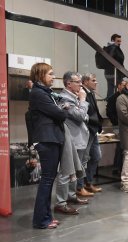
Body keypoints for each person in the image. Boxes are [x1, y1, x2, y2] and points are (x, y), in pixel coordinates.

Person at [28, 63, 67, 229]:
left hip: (51, 139)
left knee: (48, 180)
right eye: (50, 74)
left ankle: (46, 216)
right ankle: (40, 220)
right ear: (40, 75)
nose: (53, 76)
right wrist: (61, 109)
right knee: (47, 181)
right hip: (47, 140)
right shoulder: (38, 93)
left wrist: (59, 109)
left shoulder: (45, 93)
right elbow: (59, 114)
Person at [54, 72, 90, 215]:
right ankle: (61, 203)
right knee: (66, 171)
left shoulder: (73, 98)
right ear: (68, 83)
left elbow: (84, 116)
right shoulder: (64, 98)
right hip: (71, 140)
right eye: (77, 82)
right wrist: (82, 100)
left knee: (76, 170)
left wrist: (81, 108)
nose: (81, 84)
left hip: (80, 139)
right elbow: (81, 115)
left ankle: (71, 195)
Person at [78, 73, 103, 196]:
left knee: (96, 156)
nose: (96, 82)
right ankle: (80, 187)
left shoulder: (90, 93)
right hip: (87, 130)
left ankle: (88, 182)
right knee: (84, 159)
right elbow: (84, 114)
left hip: (93, 131)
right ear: (86, 82)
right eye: (93, 80)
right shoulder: (82, 93)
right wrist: (96, 122)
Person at [106, 80, 126, 175]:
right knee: (120, 146)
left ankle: (121, 167)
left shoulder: (126, 97)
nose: (125, 87)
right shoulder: (112, 98)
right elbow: (109, 112)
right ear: (118, 86)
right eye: (123, 85)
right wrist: (116, 121)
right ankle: (117, 167)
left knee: (123, 147)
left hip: (125, 125)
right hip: (117, 125)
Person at [104, 34, 125, 98]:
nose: (119, 43)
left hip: (110, 72)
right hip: (114, 72)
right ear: (113, 40)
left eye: (120, 41)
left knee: (111, 88)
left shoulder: (111, 48)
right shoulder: (113, 48)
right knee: (117, 88)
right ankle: (112, 103)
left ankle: (109, 103)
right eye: (118, 41)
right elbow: (110, 58)